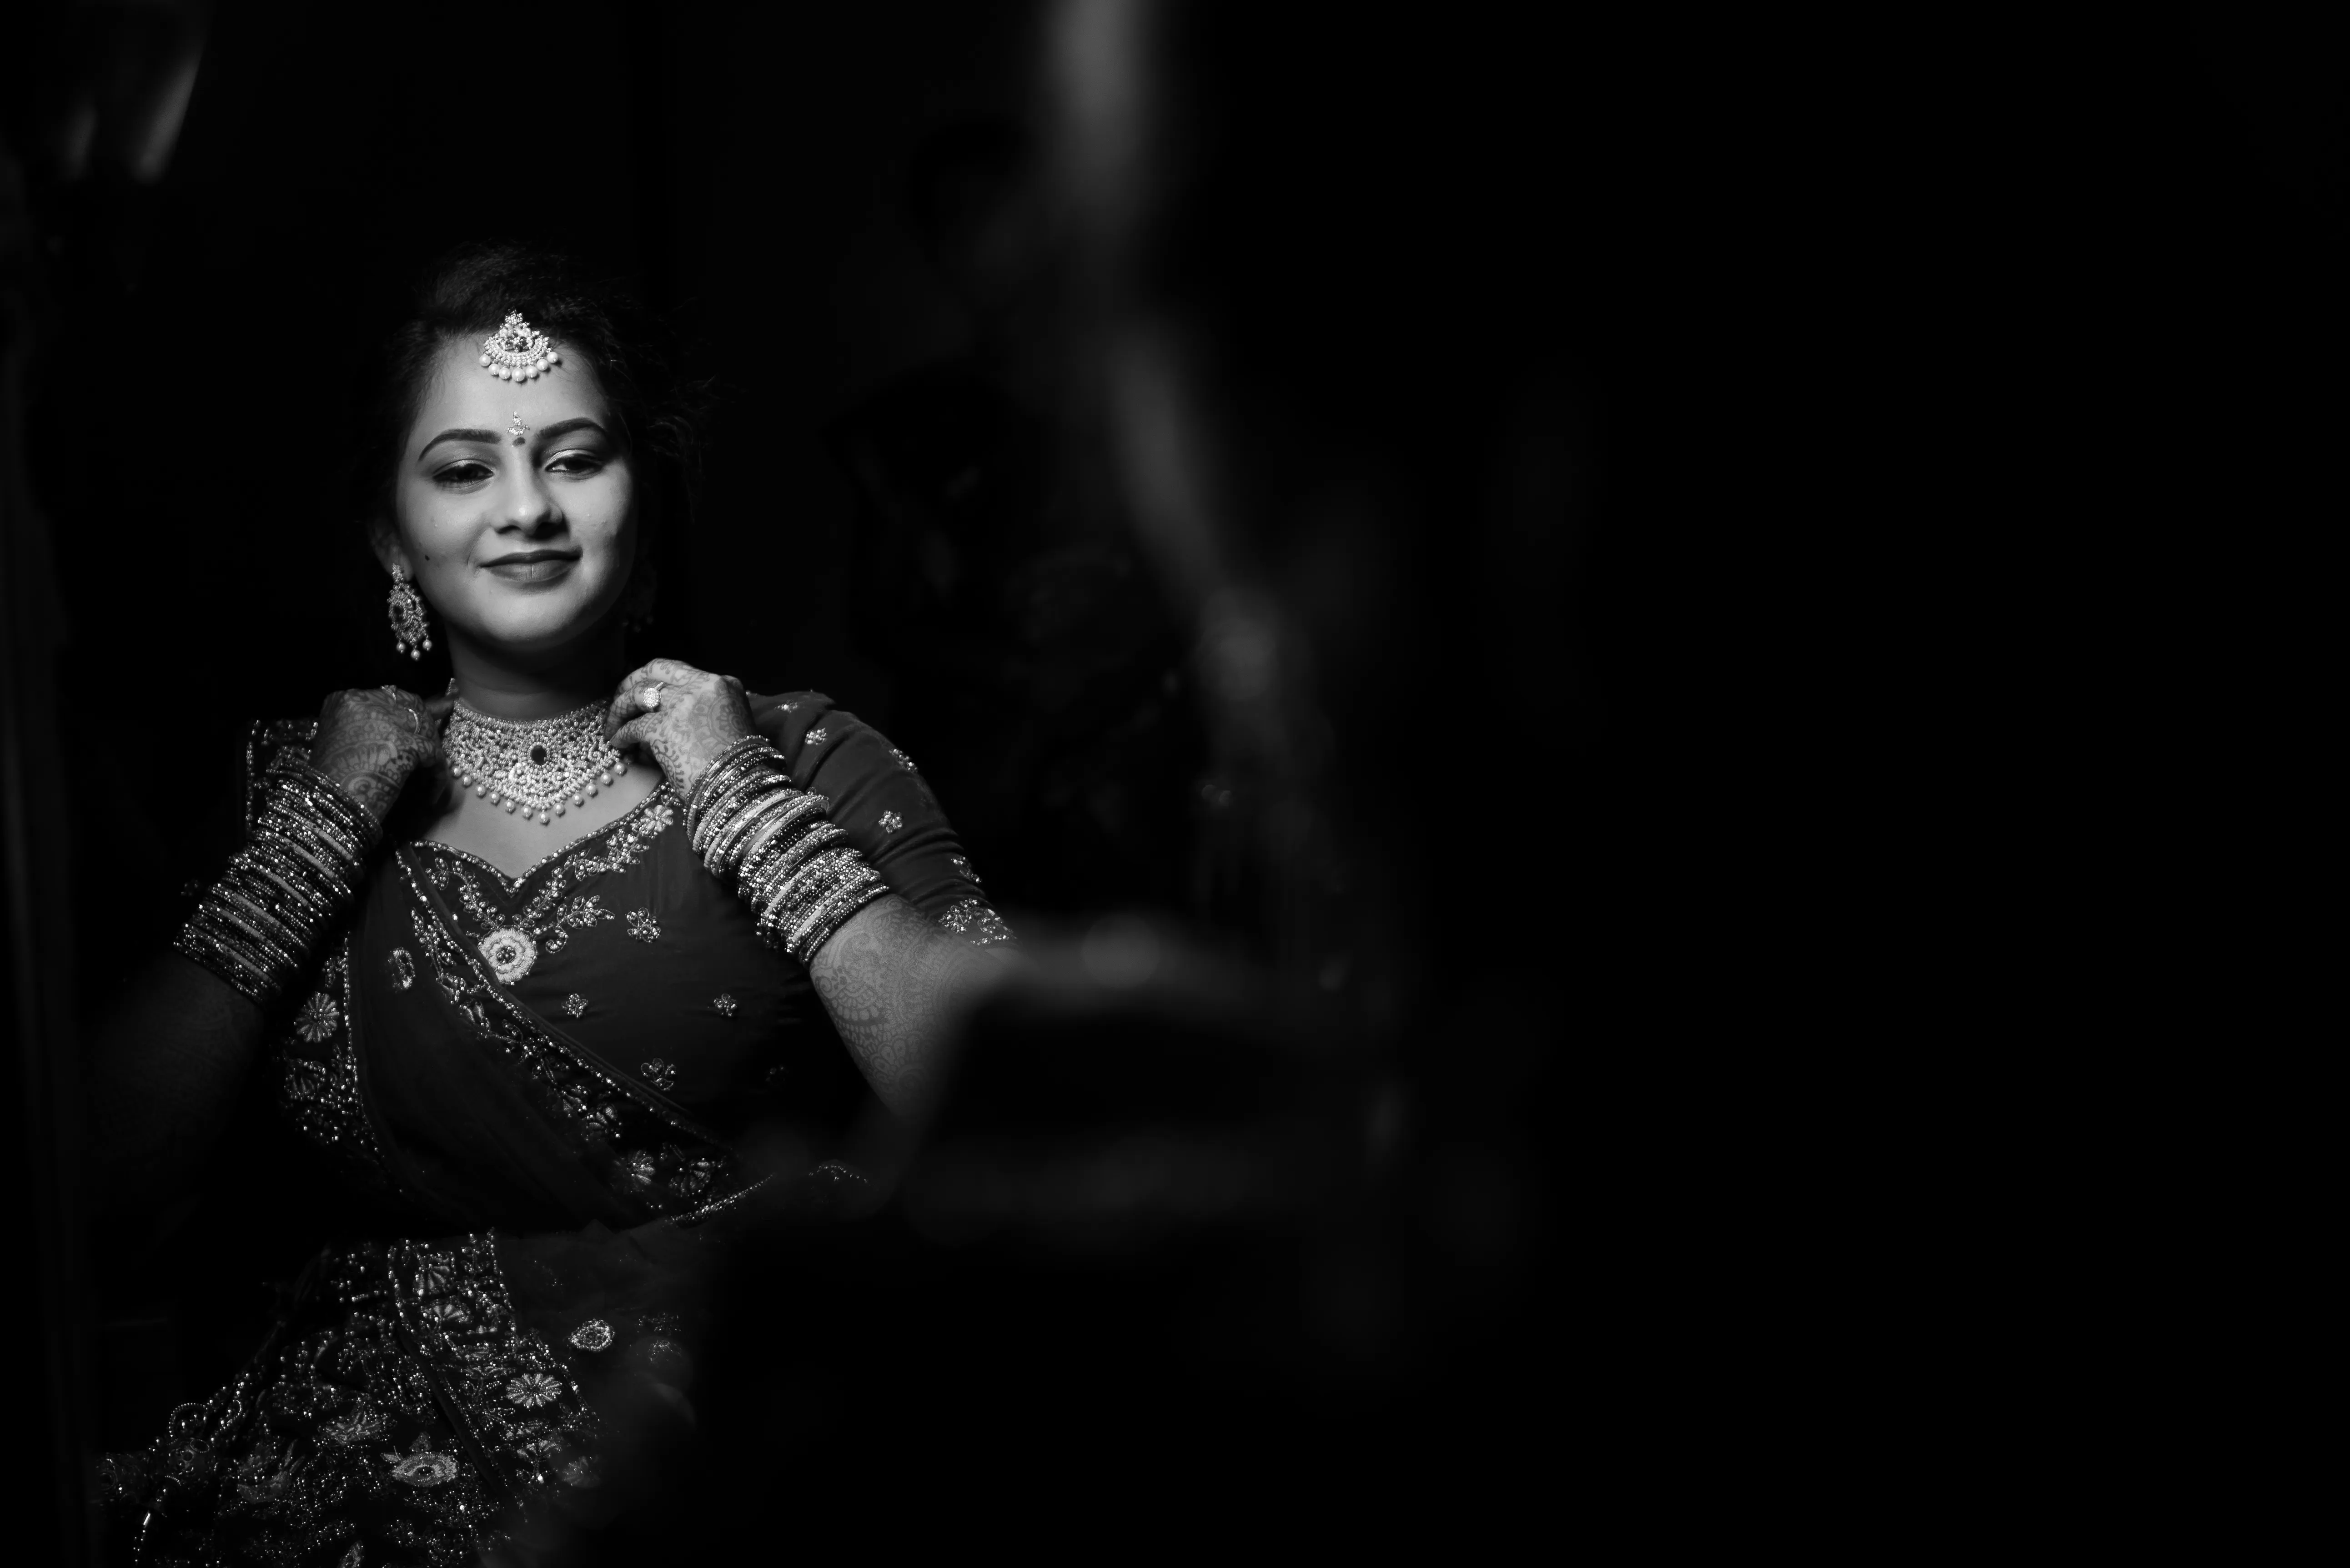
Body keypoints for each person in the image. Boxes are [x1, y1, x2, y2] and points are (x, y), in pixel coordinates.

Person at [84, 242, 1017, 1567]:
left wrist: (747, 805)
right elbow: (97, 1179)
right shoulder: (292, 789)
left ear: (645, 500)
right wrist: (319, 831)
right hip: (372, 1475)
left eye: (575, 459)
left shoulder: (806, 760)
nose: (528, 507)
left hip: (740, 1439)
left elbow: (1008, 1100)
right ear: (389, 532)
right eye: (464, 470)